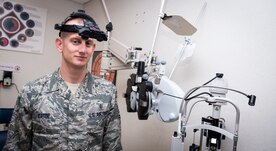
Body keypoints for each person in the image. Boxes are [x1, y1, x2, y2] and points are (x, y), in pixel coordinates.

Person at [3, 10, 122, 151]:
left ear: (93, 48)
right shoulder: (32, 91)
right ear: (60, 44)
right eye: (76, 42)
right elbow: (15, 146)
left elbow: (113, 146)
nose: (83, 50)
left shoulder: (107, 92)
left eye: (88, 43)